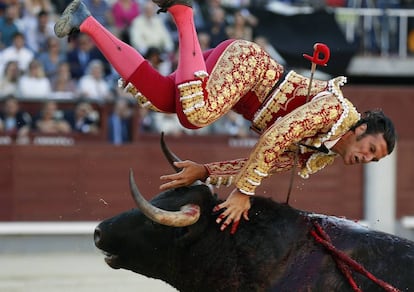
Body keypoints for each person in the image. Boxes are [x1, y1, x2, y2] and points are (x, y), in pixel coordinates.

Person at [54, 0, 396, 234]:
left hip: (235, 85)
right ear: (361, 129)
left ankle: (85, 20)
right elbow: (275, 137)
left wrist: (205, 172)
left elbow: (262, 162)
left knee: (160, 97)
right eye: (372, 149)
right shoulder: (333, 110)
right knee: (196, 114)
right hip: (246, 66)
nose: (366, 159)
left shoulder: (322, 154)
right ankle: (184, 12)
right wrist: (242, 193)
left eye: (373, 160)